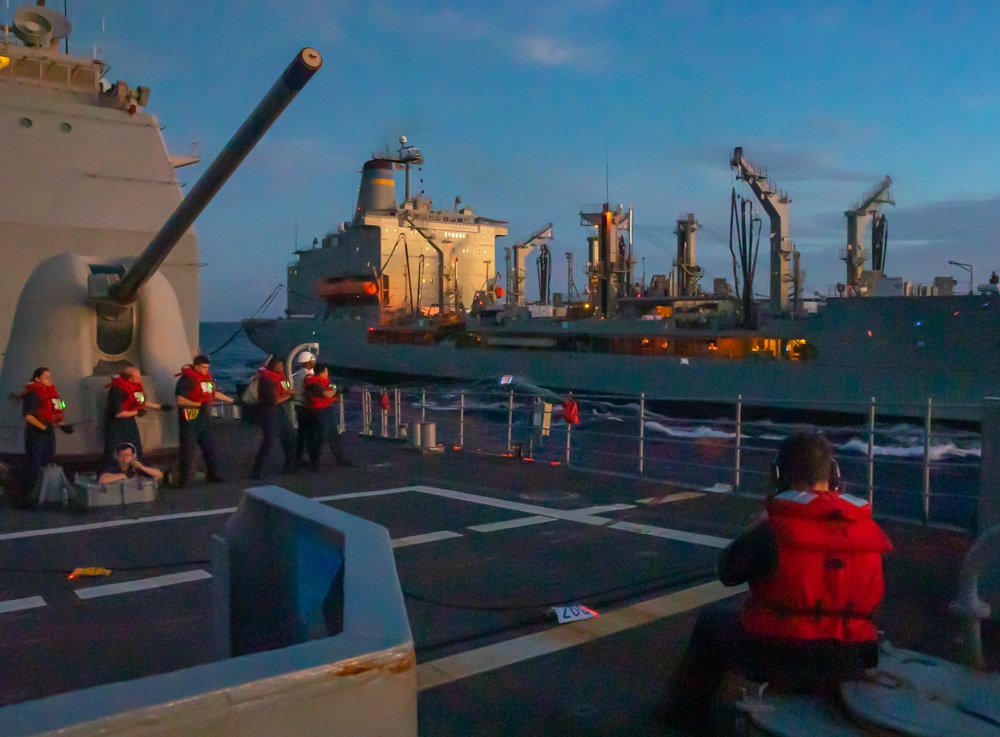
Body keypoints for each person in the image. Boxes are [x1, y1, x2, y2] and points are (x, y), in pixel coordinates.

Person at [663, 432, 893, 734]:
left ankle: (684, 716)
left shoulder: (773, 530)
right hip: (853, 657)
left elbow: (727, 572)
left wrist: (756, 526)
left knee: (711, 623)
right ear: (834, 476)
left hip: (779, 655)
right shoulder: (868, 529)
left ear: (777, 476)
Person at [174, 355, 234, 488]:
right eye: (203, 367)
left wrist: (232, 400)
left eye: (207, 368)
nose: (206, 370)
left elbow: (213, 393)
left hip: (204, 416)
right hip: (191, 415)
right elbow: (180, 400)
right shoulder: (186, 380)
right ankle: (183, 480)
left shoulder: (206, 378)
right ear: (196, 366)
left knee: (210, 447)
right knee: (188, 449)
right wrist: (198, 405)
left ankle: (212, 474)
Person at [16, 367, 70, 507]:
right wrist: (43, 427)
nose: (49, 379)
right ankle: (24, 498)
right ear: (37, 378)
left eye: (49, 376)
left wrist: (61, 425)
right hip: (36, 432)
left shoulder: (51, 393)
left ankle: (43, 494)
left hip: (48, 429)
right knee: (33, 464)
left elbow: (58, 408)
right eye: (46, 377)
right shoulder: (33, 393)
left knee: (48, 460)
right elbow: (28, 415)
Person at [104, 366, 172, 466]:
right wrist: (137, 413)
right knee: (117, 449)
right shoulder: (117, 390)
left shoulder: (135, 387)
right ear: (130, 379)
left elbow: (141, 403)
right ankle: (115, 471)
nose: (140, 378)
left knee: (135, 446)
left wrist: (160, 407)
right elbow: (118, 413)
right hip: (117, 425)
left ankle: (137, 467)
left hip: (129, 422)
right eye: (138, 376)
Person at [251, 357, 295, 479]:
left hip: (280, 410)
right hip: (268, 412)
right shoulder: (266, 380)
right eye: (280, 366)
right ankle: (256, 471)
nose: (282, 368)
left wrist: (293, 393)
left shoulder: (281, 377)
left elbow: (287, 389)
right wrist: (288, 397)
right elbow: (272, 401)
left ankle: (289, 467)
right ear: (274, 367)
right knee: (269, 441)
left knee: (290, 436)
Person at [300, 363, 351, 469]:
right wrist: (337, 390)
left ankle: (339, 459)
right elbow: (327, 394)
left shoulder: (322, 382)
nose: (328, 373)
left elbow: (330, 391)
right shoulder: (314, 384)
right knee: (320, 438)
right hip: (319, 412)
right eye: (326, 371)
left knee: (333, 435)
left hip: (326, 410)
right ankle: (314, 463)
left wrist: (337, 390)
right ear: (323, 372)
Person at [290, 351, 316, 465]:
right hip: (304, 406)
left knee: (302, 433)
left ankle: (298, 457)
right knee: (308, 433)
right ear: (308, 362)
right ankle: (305, 458)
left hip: (298, 405)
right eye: (312, 360)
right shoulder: (307, 375)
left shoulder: (298, 373)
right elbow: (310, 391)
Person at [99, 442, 163, 484]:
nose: (125, 458)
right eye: (121, 455)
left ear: (133, 456)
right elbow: (103, 480)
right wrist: (123, 476)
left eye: (128, 455)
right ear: (116, 456)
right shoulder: (112, 467)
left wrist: (142, 467)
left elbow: (159, 475)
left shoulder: (137, 467)